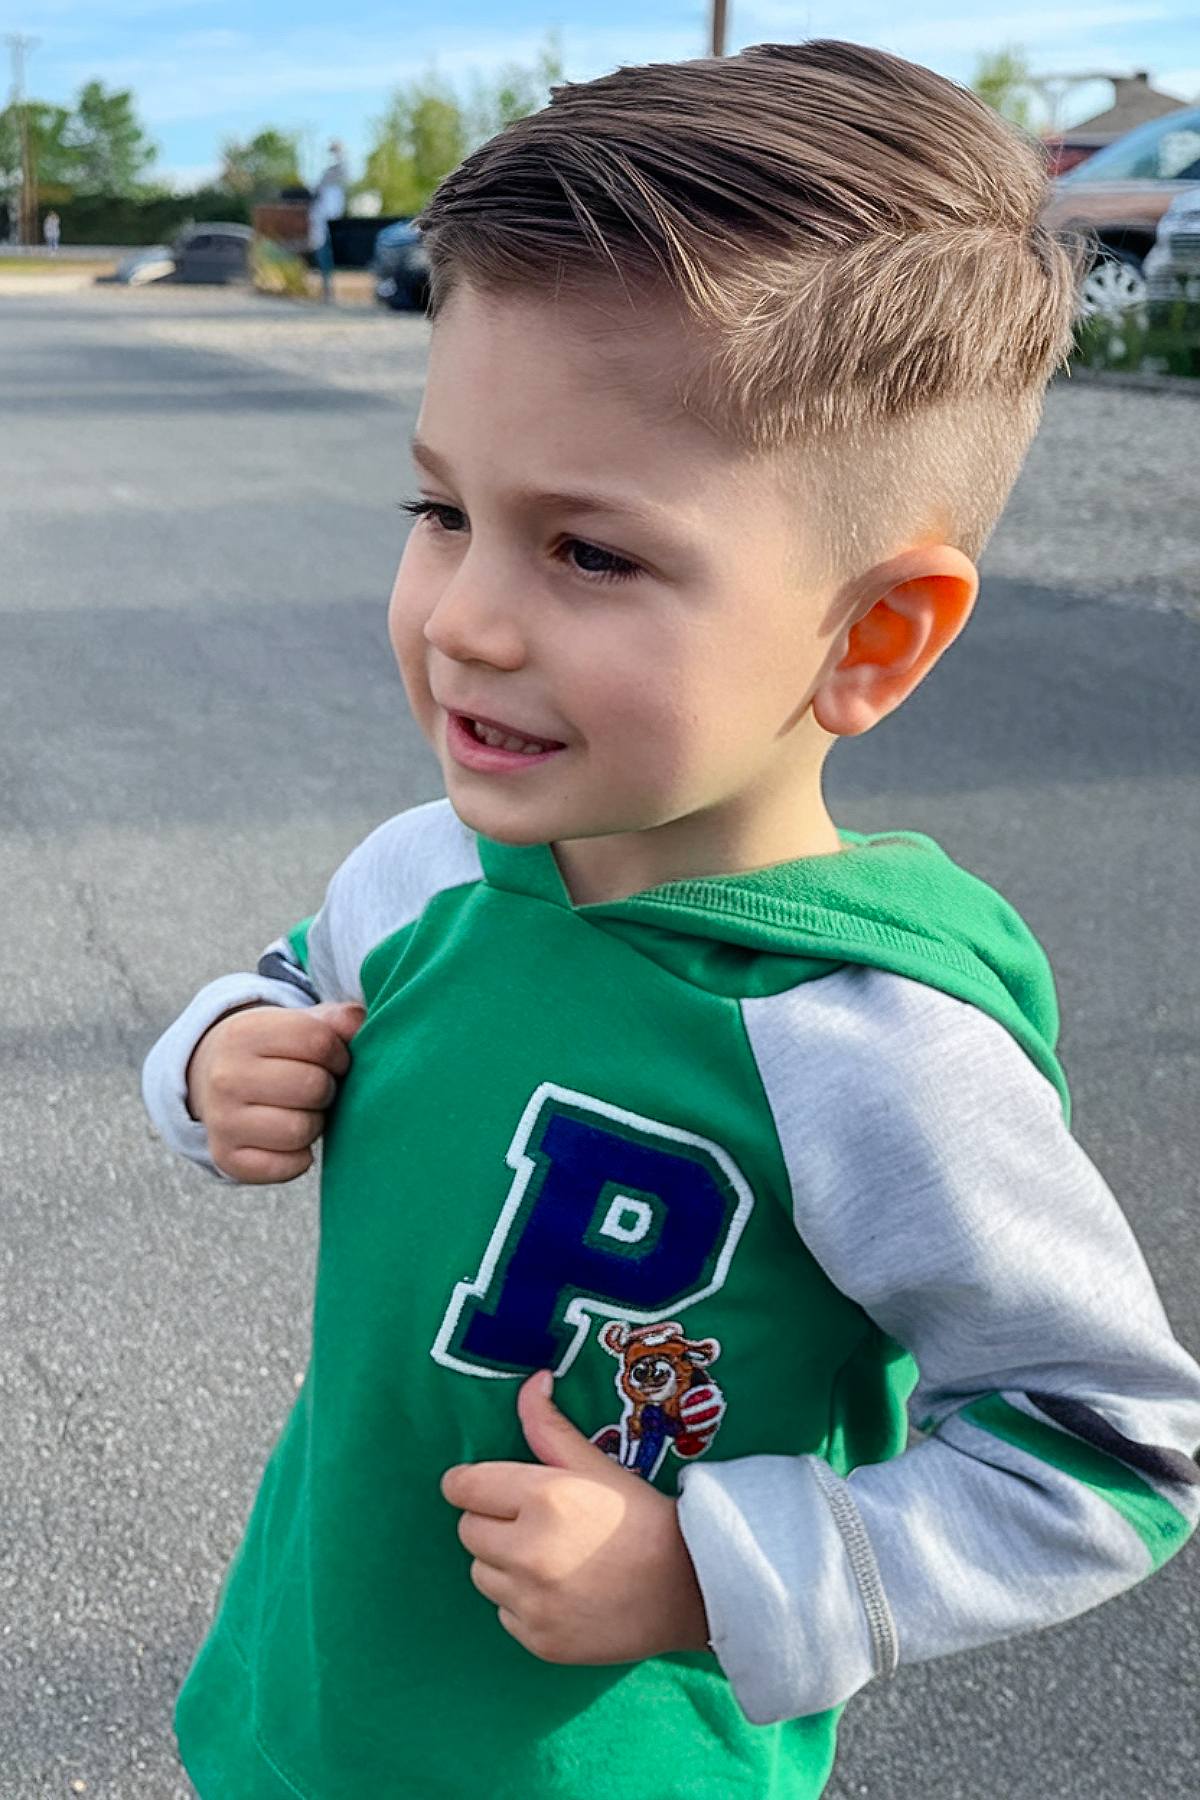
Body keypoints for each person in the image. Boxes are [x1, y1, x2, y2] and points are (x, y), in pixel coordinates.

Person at [140, 39, 1200, 1800]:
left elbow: (1109, 1447)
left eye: (593, 555)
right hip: (301, 1702)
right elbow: (280, 984)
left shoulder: (870, 1049)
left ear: (869, 639)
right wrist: (213, 1060)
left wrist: (710, 1572)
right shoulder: (417, 872)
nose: (466, 619)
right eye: (444, 509)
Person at [307, 138, 346, 302]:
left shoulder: (338, 173)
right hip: (321, 223)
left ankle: (328, 291)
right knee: (323, 253)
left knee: (326, 252)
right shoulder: (327, 174)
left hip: (328, 219)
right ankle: (327, 291)